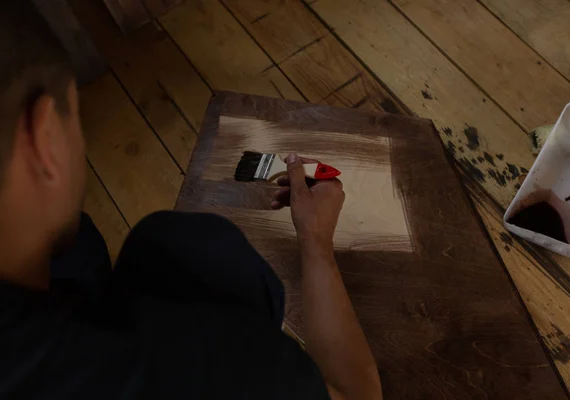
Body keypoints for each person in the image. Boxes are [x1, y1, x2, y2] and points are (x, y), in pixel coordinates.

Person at [0, 1, 381, 399]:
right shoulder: (186, 375)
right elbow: (359, 394)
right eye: (74, 116)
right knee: (204, 254)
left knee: (146, 245)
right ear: (44, 139)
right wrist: (317, 241)